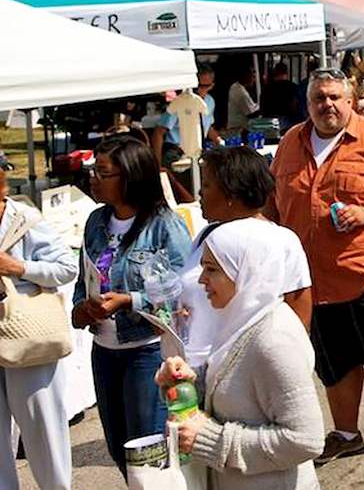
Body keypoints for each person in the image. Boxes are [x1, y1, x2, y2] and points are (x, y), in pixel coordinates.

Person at [268, 69, 364, 463]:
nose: (328, 105)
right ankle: (346, 433)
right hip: (312, 279)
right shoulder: (291, 142)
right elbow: (273, 200)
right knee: (334, 360)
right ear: (308, 104)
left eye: (335, 97)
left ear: (351, 100)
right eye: (319, 98)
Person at [154, 222, 325, 489]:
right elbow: (237, 397)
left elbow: (305, 439)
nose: (201, 280)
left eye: (211, 269)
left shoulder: (272, 340)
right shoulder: (237, 323)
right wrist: (187, 383)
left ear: (245, 271)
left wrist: (210, 440)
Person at [70, 136, 191, 476]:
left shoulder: (164, 225)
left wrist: (130, 301)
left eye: (102, 172)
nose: (92, 177)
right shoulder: (96, 221)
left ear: (130, 176)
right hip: (105, 351)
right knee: (119, 448)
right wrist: (82, 308)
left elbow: (185, 292)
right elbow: (85, 280)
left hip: (146, 352)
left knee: (148, 451)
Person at [184, 147, 313, 373]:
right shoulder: (206, 236)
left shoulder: (282, 242)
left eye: (206, 186)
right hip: (190, 368)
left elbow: (298, 317)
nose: (199, 193)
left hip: (246, 374)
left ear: (231, 193)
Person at [0, 172, 77, 490]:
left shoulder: (23, 219)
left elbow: (66, 267)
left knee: (43, 431)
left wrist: (19, 268)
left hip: (27, 334)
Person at [261, 62, 301, 130]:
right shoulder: (292, 87)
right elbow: (296, 105)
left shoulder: (267, 88)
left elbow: (262, 106)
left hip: (269, 121)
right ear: (286, 73)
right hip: (287, 121)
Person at [226, 67, 258, 132]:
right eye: (253, 76)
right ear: (247, 76)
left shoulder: (235, 86)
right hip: (239, 129)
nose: (254, 80)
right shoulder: (240, 93)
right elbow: (251, 114)